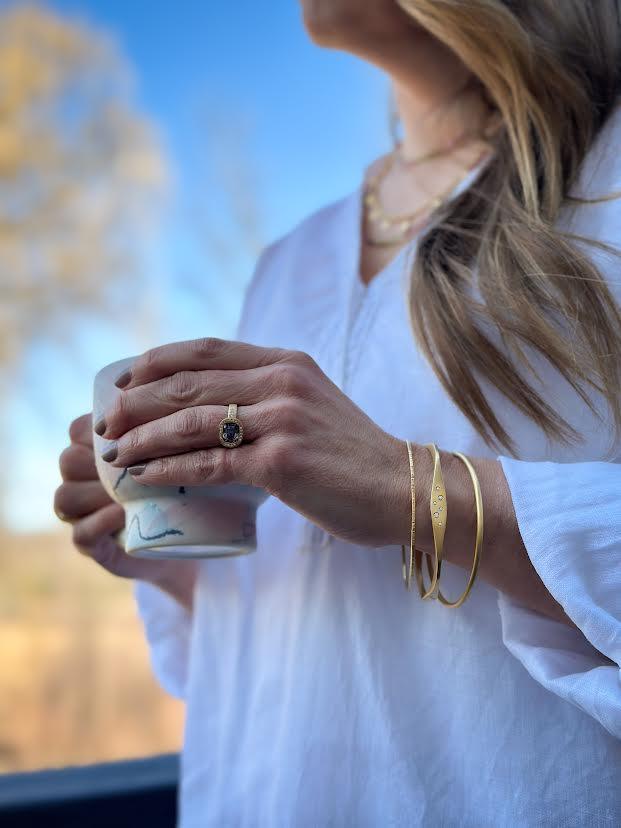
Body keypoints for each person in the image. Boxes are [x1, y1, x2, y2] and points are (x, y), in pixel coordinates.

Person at [55, 1, 621, 825]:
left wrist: (415, 490)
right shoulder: (288, 259)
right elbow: (314, 657)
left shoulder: (604, 182)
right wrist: (177, 548)